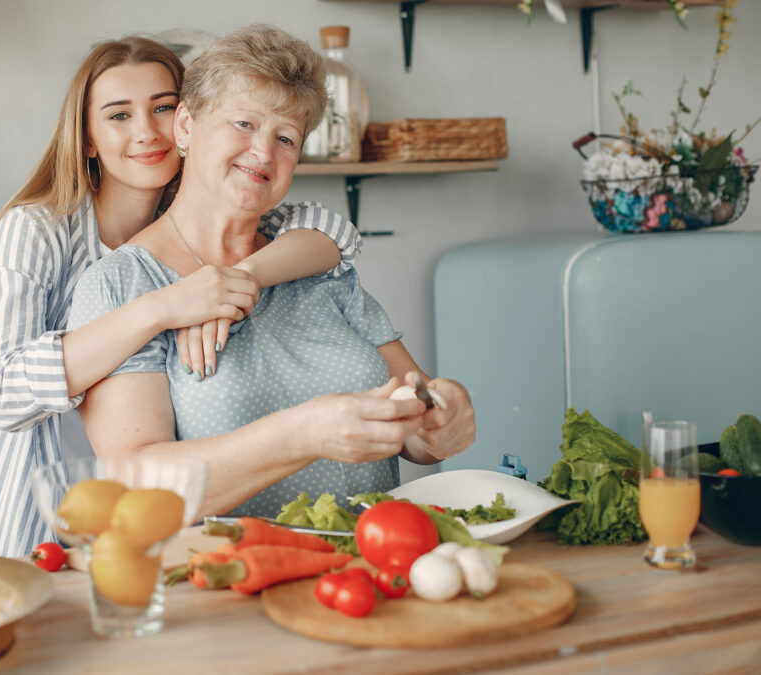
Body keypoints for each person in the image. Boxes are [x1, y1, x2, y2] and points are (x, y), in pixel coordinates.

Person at [0, 36, 362, 556]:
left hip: (126, 527)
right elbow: (2, 392)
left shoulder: (199, 216)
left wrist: (240, 278)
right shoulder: (38, 229)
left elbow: (333, 234)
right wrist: (163, 306)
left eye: (162, 107)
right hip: (17, 516)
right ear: (88, 138)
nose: (147, 132)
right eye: (119, 116)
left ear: (188, 119)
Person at [68, 25, 474, 519]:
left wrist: (443, 417)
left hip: (370, 566)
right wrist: (302, 436)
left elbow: (416, 425)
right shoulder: (122, 285)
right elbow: (140, 484)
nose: (264, 152)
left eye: (286, 137)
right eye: (243, 123)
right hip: (228, 578)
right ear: (186, 127)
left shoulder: (319, 267)